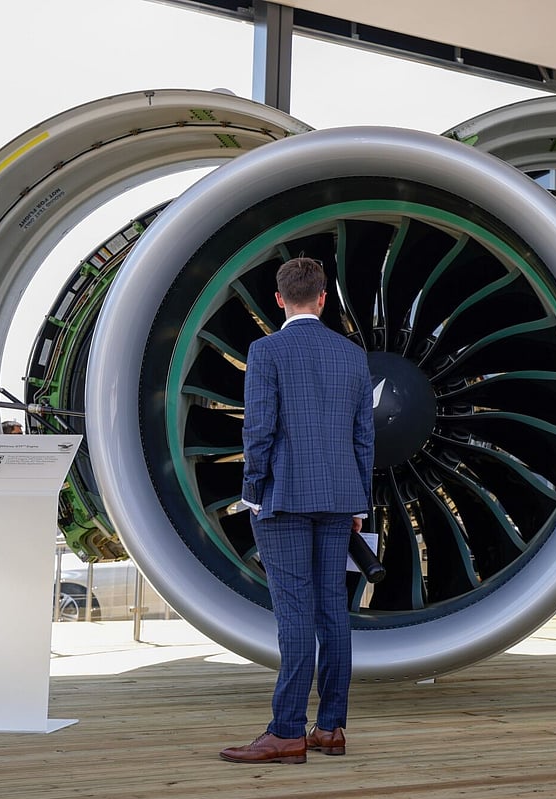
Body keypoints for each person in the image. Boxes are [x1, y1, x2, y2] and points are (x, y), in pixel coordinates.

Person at [220, 257, 374, 765]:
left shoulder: (267, 351)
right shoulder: (352, 356)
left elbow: (258, 429)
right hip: (338, 500)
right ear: (324, 298)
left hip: (282, 500)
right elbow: (363, 438)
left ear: (280, 299)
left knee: (294, 613)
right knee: (333, 610)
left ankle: (286, 730)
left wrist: (252, 491)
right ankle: (330, 727)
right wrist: (360, 504)